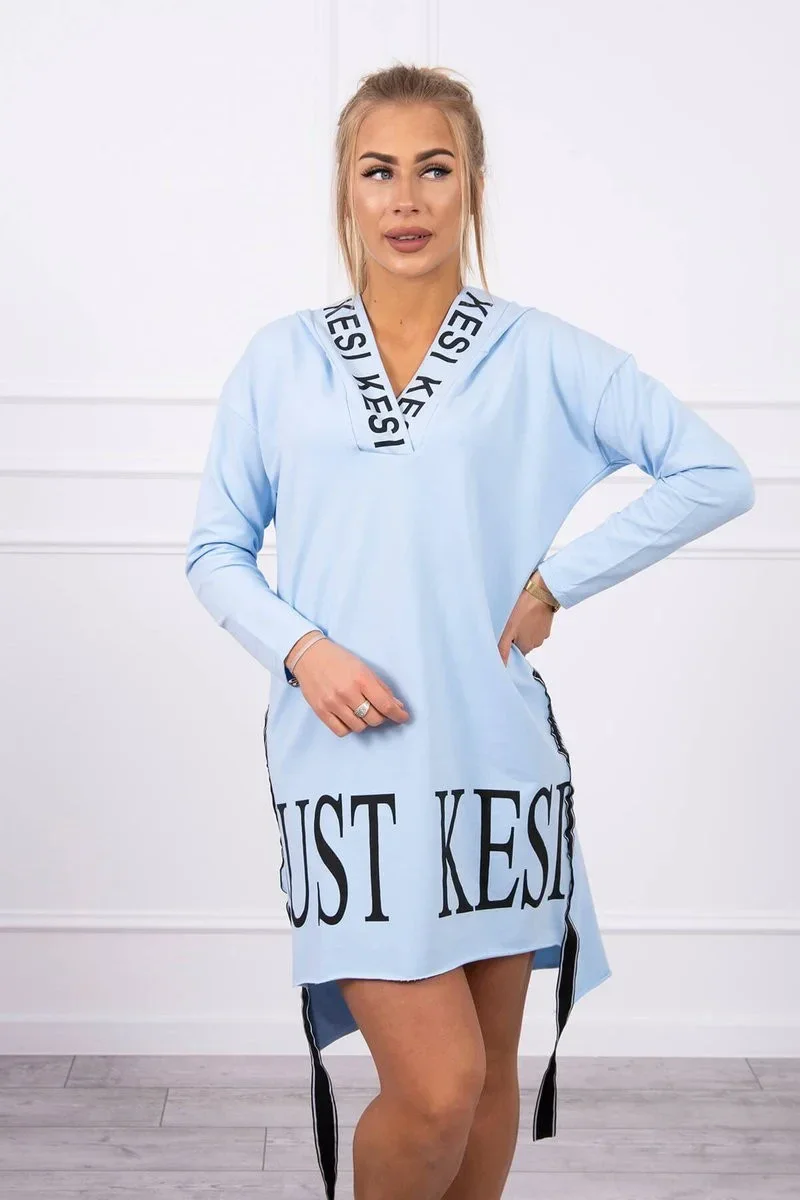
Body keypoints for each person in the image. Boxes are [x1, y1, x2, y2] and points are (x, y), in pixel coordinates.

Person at [184, 63, 755, 1200]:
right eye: (378, 171)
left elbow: (713, 474)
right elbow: (215, 551)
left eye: (433, 169)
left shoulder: (538, 352)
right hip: (348, 763)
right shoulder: (280, 361)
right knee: (436, 1086)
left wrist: (556, 581)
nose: (405, 199)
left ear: (473, 185)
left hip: (497, 761)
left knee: (488, 1085)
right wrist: (302, 648)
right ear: (344, 190)